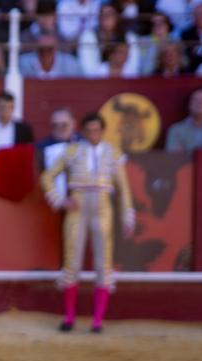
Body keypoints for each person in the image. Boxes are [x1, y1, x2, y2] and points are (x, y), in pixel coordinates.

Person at [41, 112, 135, 333]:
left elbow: (123, 189)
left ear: (102, 131)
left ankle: (97, 321)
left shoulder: (113, 153)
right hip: (78, 208)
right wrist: (59, 200)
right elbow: (47, 176)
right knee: (71, 262)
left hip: (103, 210)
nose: (93, 133)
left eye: (96, 129)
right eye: (89, 130)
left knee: (104, 264)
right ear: (83, 131)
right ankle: (69, 318)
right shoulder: (71, 151)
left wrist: (127, 215)